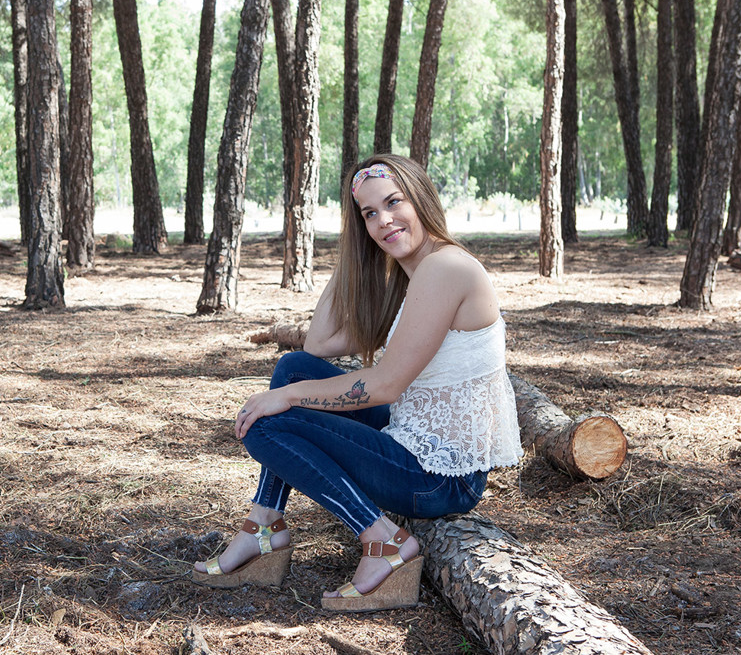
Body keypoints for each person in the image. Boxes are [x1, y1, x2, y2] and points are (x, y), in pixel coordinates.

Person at [191, 154, 523, 612]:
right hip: (413, 442)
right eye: (369, 214)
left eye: (393, 203)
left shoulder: (446, 269)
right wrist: (354, 248)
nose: (384, 220)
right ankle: (265, 522)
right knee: (294, 366)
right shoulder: (414, 277)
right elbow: (319, 342)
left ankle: (381, 540)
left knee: (268, 422)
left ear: (421, 198)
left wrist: (284, 398)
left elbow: (384, 386)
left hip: (441, 478)